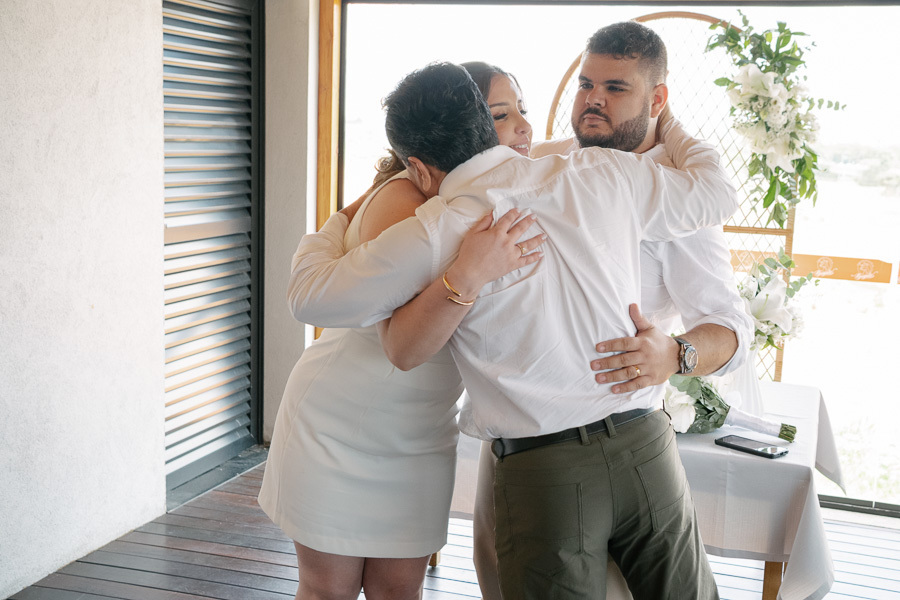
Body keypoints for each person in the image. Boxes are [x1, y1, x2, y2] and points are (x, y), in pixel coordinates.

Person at [285, 61, 737, 598]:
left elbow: (311, 298)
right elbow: (717, 192)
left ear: (419, 169)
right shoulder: (602, 172)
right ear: (483, 120)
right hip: (647, 445)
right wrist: (668, 120)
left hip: (547, 469)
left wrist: (338, 222)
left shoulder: (446, 227)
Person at [472, 21, 752, 599]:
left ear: (657, 99)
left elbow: (732, 327)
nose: (593, 100)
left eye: (616, 88)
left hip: (621, 438)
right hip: (519, 440)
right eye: (585, 83)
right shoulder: (545, 160)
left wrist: (676, 353)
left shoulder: (676, 194)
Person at [257, 68, 544, 599]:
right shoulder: (412, 204)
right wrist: (340, 219)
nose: (524, 128)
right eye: (502, 115)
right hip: (339, 428)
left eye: (522, 109)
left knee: (398, 592)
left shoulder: (513, 192)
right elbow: (319, 298)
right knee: (328, 591)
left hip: (421, 435)